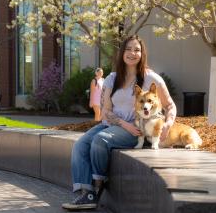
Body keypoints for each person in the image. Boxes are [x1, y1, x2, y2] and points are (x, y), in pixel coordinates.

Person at [62, 35, 177, 210]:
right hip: (117, 125)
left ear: (142, 54)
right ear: (122, 52)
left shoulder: (152, 78)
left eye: (137, 50)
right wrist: (124, 124)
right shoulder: (112, 78)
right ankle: (87, 193)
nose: (132, 53)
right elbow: (106, 110)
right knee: (80, 146)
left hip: (138, 128)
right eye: (128, 49)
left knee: (100, 141)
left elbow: (170, 105)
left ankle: (98, 184)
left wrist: (168, 124)